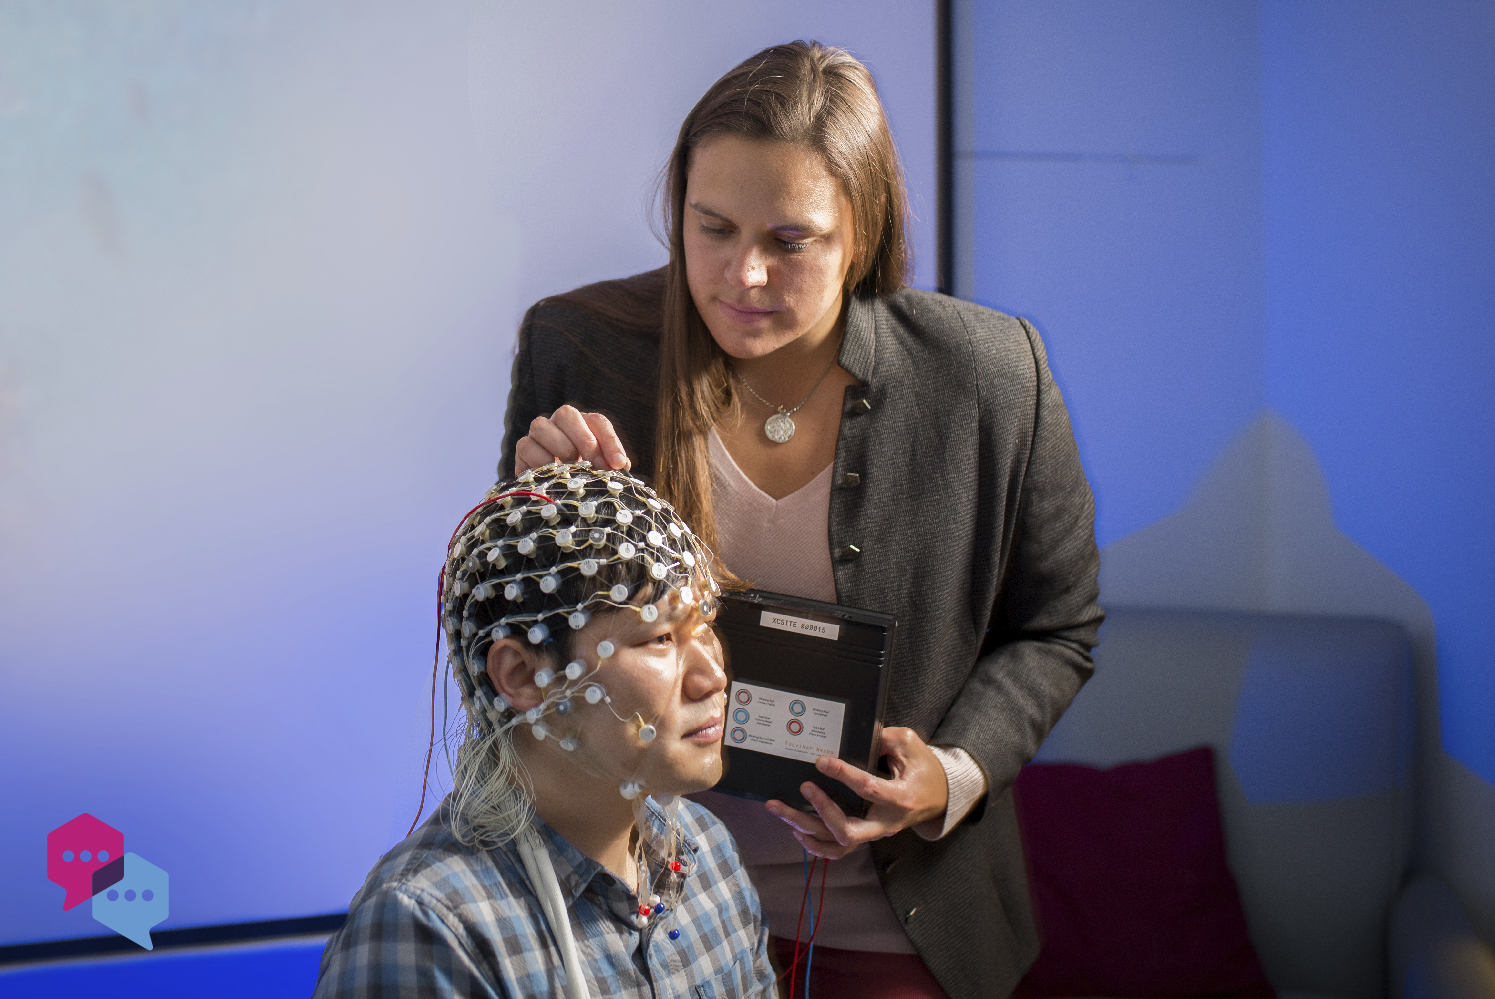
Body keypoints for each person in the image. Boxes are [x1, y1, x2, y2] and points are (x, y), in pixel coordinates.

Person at [499, 41, 1103, 999]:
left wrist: (950, 774)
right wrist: (535, 515)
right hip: (632, 920)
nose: (742, 274)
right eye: (711, 228)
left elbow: (1057, 625)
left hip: (897, 930)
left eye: (790, 241)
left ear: (861, 231)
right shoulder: (579, 350)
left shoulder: (990, 376)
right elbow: (516, 657)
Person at [313, 462, 776, 998]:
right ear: (525, 675)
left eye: (705, 626)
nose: (714, 676)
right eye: (659, 639)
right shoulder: (431, 928)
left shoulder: (705, 853)